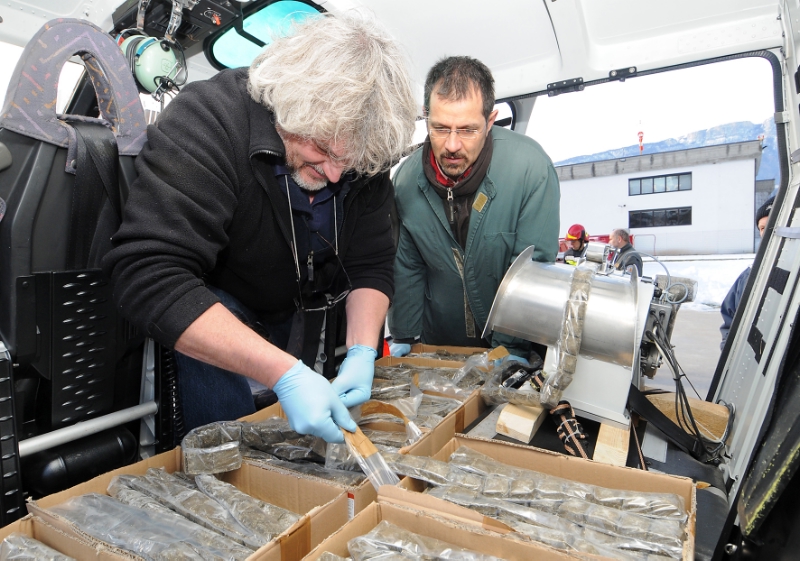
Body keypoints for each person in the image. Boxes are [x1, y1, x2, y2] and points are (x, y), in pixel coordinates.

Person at [102, 14, 418, 442]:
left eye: (352, 163)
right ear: (287, 104)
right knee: (228, 446)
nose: (335, 174)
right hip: (210, 320)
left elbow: (372, 264)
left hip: (296, 310)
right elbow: (150, 275)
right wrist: (284, 373)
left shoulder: (357, 148)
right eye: (322, 149)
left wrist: (362, 349)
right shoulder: (209, 119)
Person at [387, 56, 560, 362]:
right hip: (438, 346)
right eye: (440, 128)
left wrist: (509, 351)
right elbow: (407, 268)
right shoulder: (405, 181)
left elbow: (530, 271)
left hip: (510, 344)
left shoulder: (530, 170)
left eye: (467, 130)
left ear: (490, 121)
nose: (452, 145)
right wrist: (405, 337)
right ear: (426, 117)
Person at [720, 196, 775, 350]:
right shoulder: (748, 276)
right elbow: (730, 322)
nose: (766, 232)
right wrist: (729, 354)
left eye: (772, 224)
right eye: (762, 228)